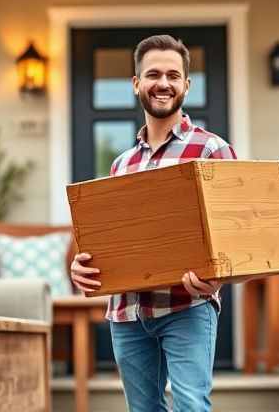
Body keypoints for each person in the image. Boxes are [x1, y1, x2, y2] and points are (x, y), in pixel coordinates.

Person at [70, 34, 237, 411]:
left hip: (187, 307)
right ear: (136, 84)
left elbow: (235, 235)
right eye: (153, 74)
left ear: (186, 86)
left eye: (173, 76)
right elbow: (113, 239)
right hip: (127, 313)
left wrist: (220, 276)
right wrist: (84, 264)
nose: (163, 83)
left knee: (191, 406)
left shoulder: (212, 149)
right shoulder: (122, 163)